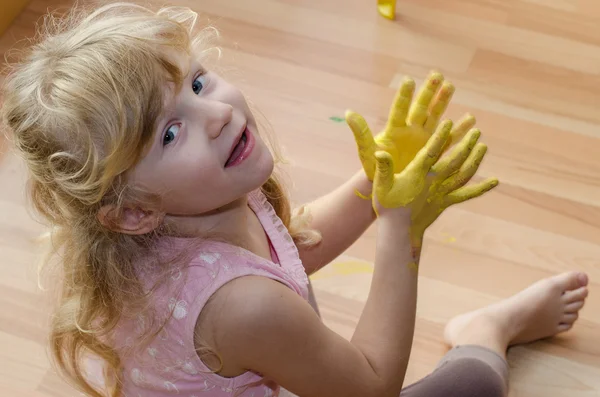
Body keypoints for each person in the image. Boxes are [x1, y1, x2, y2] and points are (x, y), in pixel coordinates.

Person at [0, 2, 588, 397]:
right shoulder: (242, 307)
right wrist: (401, 229)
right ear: (131, 210)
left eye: (197, 83)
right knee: (472, 386)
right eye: (169, 132)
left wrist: (376, 183)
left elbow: (288, 243)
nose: (217, 113)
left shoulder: (190, 211)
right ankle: (487, 328)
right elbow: (370, 386)